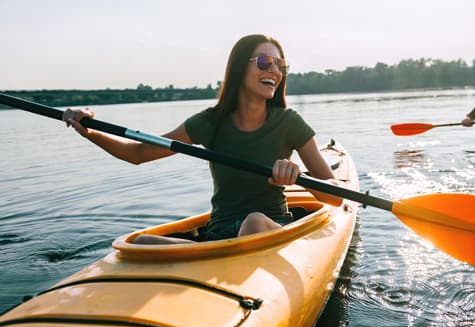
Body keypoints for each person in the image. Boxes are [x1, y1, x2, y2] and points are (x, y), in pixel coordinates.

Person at [62, 34, 343, 244]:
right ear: (238, 68)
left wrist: (297, 175)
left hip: (269, 228)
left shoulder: (289, 123)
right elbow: (138, 153)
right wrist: (89, 130)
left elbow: (334, 196)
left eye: (281, 65)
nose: (275, 71)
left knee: (254, 222)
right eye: (264, 62)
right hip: (219, 235)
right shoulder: (209, 122)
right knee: (140, 242)